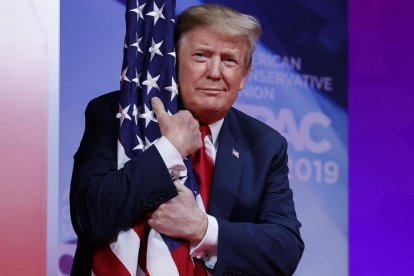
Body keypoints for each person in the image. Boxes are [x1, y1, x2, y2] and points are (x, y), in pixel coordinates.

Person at [70, 3, 304, 275]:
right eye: (201, 56)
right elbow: (90, 216)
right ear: (173, 62)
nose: (215, 72)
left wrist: (203, 229)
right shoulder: (119, 116)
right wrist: (168, 150)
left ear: (244, 76)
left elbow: (285, 250)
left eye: (229, 60)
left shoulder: (265, 145)